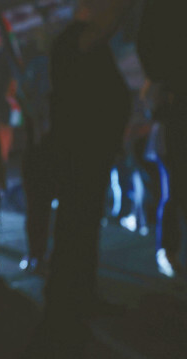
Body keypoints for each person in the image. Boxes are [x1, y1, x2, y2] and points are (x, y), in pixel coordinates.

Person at [24, 0, 135, 357]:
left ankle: (80, 299)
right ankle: (64, 313)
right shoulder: (74, 41)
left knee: (84, 228)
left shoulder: (89, 44)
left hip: (91, 155)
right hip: (78, 155)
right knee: (75, 228)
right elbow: (104, 27)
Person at [137, 0, 187, 278]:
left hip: (174, 112)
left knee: (175, 187)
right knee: (176, 187)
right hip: (176, 116)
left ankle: (168, 250)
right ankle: (167, 250)